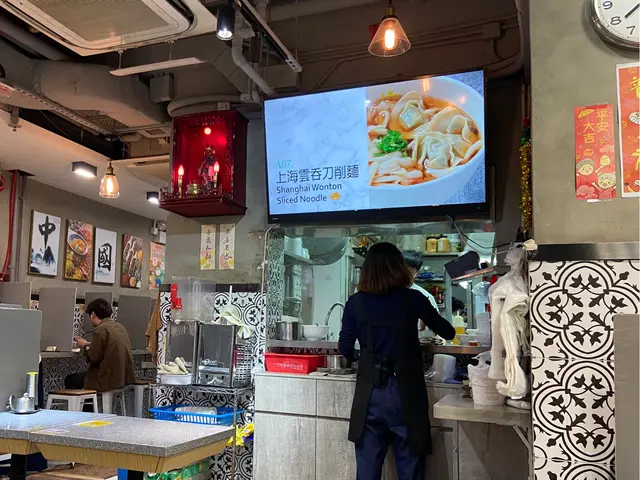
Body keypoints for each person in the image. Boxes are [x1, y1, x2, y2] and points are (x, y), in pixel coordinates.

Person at [339, 242, 456, 480]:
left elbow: (345, 348)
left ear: (366, 271)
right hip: (406, 391)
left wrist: (364, 358)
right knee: (410, 467)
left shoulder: (355, 302)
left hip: (370, 392)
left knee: (367, 470)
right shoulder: (414, 298)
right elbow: (448, 332)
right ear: (399, 268)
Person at [65, 298, 136, 393]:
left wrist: (84, 346)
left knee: (70, 379)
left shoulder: (101, 329)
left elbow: (93, 357)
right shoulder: (120, 327)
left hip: (106, 380)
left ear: (93, 314)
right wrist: (89, 345)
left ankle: (86, 403)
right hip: (122, 379)